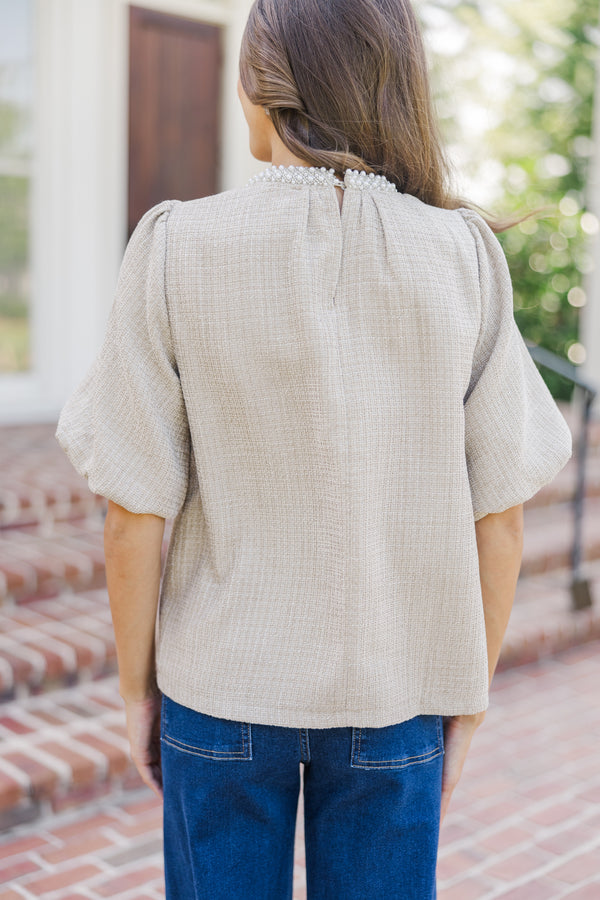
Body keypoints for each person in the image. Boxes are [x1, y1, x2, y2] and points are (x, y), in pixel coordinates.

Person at [55, 0, 573, 897]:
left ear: (263, 89)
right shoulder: (464, 256)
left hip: (217, 693)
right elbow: (502, 519)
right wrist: (470, 703)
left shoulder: (177, 245)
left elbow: (133, 512)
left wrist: (137, 689)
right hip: (398, 698)